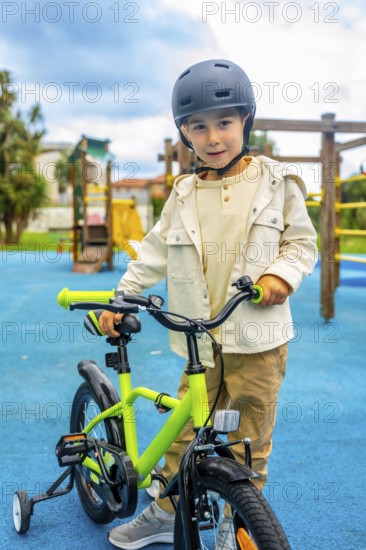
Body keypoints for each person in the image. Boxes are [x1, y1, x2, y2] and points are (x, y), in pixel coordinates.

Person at [101, 59, 318, 549]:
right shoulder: (182, 194)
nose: (213, 136)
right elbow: (151, 253)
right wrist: (119, 299)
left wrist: (279, 275)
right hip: (201, 339)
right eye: (198, 126)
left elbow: (301, 246)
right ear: (185, 133)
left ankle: (236, 519)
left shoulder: (277, 183)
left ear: (245, 120)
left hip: (257, 339)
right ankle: (165, 510)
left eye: (224, 122)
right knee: (186, 430)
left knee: (249, 437)